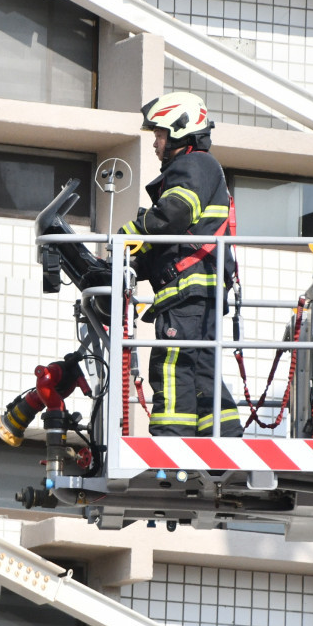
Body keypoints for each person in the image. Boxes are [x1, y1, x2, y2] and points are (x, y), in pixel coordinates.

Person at [119, 91, 243, 438]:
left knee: (172, 363)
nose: (155, 143)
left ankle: (172, 440)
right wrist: (137, 259)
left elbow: (174, 214)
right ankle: (225, 443)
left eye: (159, 134)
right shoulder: (204, 168)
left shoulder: (192, 165)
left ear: (177, 130)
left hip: (187, 291)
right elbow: (173, 241)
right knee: (201, 369)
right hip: (199, 290)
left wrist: (127, 235)